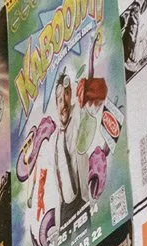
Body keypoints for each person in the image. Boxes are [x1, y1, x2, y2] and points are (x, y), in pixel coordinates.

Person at [50, 70, 85, 230]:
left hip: (82, 199)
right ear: (56, 104)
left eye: (66, 94)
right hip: (65, 208)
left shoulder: (78, 113)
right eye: (59, 99)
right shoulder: (54, 140)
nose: (63, 103)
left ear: (71, 94)